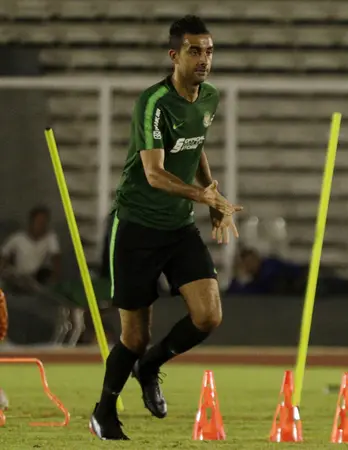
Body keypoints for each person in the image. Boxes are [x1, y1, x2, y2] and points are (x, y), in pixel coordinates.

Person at [89, 15, 243, 440]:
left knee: (209, 316)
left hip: (178, 228)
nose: (204, 59)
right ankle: (104, 412)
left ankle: (152, 366)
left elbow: (195, 148)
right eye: (195, 51)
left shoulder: (208, 98)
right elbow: (155, 174)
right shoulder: (153, 102)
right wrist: (203, 197)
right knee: (134, 336)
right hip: (136, 227)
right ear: (175, 55)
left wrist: (211, 194)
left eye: (209, 51)